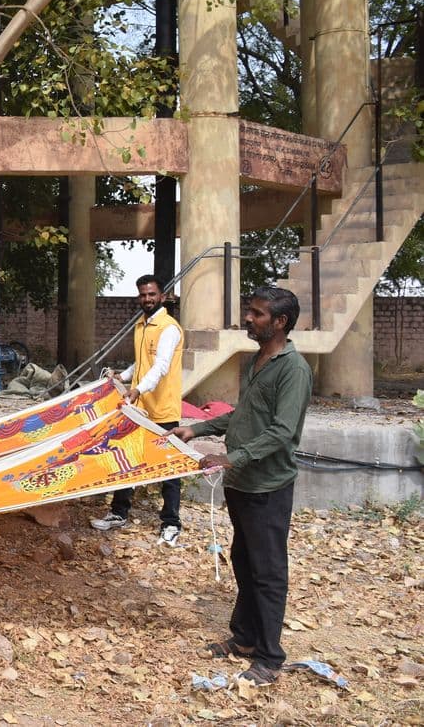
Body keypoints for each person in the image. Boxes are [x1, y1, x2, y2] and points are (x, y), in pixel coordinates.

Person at [171, 286, 313, 687]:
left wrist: (230, 457)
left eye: (257, 314)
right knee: (244, 561)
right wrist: (196, 427)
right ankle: (246, 638)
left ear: (280, 322)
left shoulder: (293, 369)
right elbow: (242, 415)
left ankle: (270, 658)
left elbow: (282, 431)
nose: (248, 319)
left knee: (268, 573)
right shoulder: (256, 360)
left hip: (267, 485)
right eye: (249, 312)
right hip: (242, 483)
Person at [91, 274, 185, 545]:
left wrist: (137, 389)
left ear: (163, 297)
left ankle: (171, 524)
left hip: (163, 410)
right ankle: (118, 513)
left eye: (152, 294)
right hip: (140, 408)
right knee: (126, 459)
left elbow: (161, 366)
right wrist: (124, 376)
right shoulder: (142, 325)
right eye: (143, 294)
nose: (147, 299)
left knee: (169, 471)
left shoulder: (169, 328)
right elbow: (142, 361)